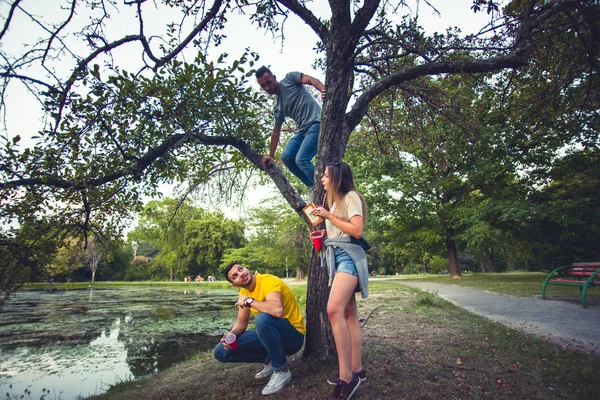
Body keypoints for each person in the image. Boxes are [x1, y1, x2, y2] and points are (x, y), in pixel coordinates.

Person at [312, 161, 369, 400]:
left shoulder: (350, 196)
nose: (322, 179)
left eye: (325, 176)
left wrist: (328, 216)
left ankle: (347, 377)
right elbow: (342, 227)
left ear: (336, 178)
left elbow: (356, 230)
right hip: (336, 256)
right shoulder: (334, 202)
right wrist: (326, 231)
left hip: (348, 258)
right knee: (348, 315)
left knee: (333, 310)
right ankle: (357, 369)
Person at [213, 262, 305, 396]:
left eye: (240, 269)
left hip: (293, 336)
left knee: (262, 319)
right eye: (235, 276)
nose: (241, 274)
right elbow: (241, 324)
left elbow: (277, 310)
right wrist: (230, 336)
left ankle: (281, 370)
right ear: (234, 284)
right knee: (220, 352)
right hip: (273, 336)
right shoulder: (244, 292)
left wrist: (249, 301)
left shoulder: (268, 281)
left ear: (246, 268)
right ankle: (270, 359)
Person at [256, 65, 325, 190]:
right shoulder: (278, 106)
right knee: (286, 157)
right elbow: (276, 132)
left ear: (274, 78)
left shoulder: (290, 79)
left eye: (268, 83)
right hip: (303, 130)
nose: (267, 88)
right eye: (263, 86)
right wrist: (270, 156)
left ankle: (325, 186)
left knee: (301, 159)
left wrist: (323, 90)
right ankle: (313, 186)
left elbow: (310, 80)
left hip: (316, 123)